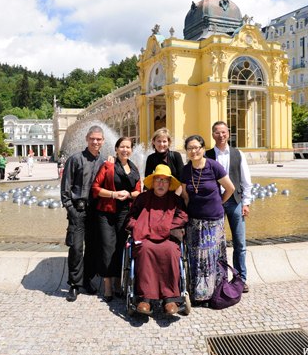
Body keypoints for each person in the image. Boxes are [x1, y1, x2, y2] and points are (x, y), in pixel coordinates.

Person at [124, 164, 188, 315]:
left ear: (169, 184)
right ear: (152, 182)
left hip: (167, 237)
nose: (161, 183)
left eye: (165, 181)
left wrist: (164, 228)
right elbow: (130, 218)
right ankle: (145, 299)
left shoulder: (175, 200)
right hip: (145, 237)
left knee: (171, 251)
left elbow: (183, 217)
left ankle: (170, 298)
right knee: (145, 250)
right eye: (158, 180)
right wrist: (140, 227)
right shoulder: (143, 198)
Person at [180, 135, 235, 305]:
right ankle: (198, 293)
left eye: (197, 147)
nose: (193, 151)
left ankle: (215, 293)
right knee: (196, 257)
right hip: (195, 221)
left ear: (203, 148)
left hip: (213, 221)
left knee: (212, 257)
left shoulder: (213, 166)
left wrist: (219, 202)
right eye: (190, 148)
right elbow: (185, 195)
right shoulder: (185, 170)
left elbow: (230, 188)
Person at [91, 137, 142, 302]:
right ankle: (107, 285)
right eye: (122, 147)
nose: (125, 150)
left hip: (125, 213)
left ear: (131, 150)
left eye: (128, 147)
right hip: (107, 212)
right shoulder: (108, 165)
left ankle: (119, 283)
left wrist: (129, 194)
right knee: (108, 247)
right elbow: (95, 188)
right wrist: (113, 194)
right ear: (116, 149)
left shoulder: (134, 168)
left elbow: (138, 191)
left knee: (121, 246)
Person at [60, 125, 106, 302]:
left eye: (99, 139)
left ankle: (86, 280)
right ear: (87, 139)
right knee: (77, 248)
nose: (95, 142)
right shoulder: (75, 159)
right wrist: (71, 209)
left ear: (103, 141)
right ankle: (74, 284)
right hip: (78, 210)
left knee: (93, 249)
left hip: (96, 212)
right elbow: (65, 189)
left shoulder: (103, 162)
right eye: (92, 138)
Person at [206, 121, 253, 293]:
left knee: (240, 243)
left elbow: (246, 180)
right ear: (213, 135)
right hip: (215, 203)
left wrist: (246, 202)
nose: (221, 135)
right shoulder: (207, 155)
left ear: (228, 133)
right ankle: (219, 278)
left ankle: (241, 278)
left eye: (223, 132)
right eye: (217, 132)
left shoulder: (238, 154)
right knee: (216, 243)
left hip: (235, 201)